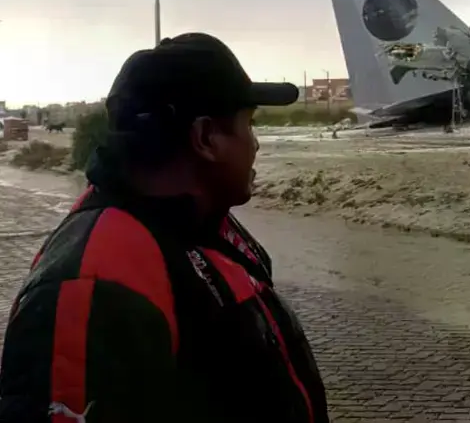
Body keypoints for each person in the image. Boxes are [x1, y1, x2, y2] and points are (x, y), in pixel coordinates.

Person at [0, 33, 330, 423]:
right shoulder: (94, 283)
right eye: (249, 124)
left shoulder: (201, 224)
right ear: (206, 137)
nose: (255, 144)